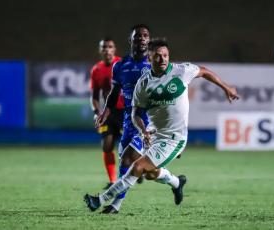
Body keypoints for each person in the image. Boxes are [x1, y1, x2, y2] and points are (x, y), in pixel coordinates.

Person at [84, 38, 239, 213]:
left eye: (165, 55)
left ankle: (101, 199)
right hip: (151, 133)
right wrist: (143, 130)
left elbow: (204, 71)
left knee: (138, 166)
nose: (163, 59)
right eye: (157, 56)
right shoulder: (143, 84)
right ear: (149, 59)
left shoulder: (181, 71)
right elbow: (135, 114)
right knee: (147, 171)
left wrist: (226, 87)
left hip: (174, 138)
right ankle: (177, 182)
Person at [89, 24, 155, 214]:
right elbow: (114, 92)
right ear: (131, 40)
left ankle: (113, 203)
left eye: (145, 36)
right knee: (147, 171)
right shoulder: (120, 66)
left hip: (147, 121)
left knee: (127, 161)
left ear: (148, 40)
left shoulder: (155, 65)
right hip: (128, 118)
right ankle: (176, 182)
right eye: (137, 36)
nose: (141, 39)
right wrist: (104, 112)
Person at [90, 37, 124, 189]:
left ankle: (136, 172)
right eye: (104, 47)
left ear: (114, 49)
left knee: (129, 146)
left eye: (110, 47)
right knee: (107, 145)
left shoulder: (123, 65)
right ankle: (112, 181)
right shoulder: (96, 70)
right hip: (108, 112)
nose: (107, 50)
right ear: (100, 50)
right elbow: (94, 96)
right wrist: (97, 112)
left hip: (125, 111)